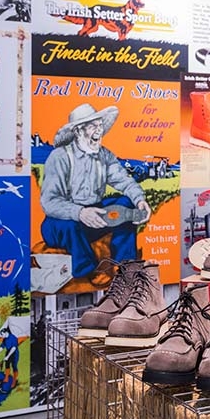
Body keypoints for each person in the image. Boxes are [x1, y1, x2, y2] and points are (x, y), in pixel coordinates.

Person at [40, 104, 152, 285]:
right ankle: (87, 270)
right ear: (78, 131)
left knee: (126, 204)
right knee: (70, 226)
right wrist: (80, 213)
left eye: (100, 125)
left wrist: (139, 200)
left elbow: (123, 180)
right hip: (61, 222)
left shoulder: (104, 155)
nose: (99, 130)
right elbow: (49, 202)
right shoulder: (59, 157)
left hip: (95, 218)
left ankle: (126, 263)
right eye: (93, 126)